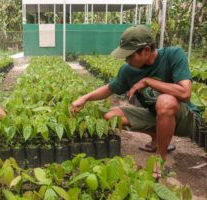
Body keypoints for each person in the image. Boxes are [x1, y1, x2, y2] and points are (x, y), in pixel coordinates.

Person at [70, 25, 201, 177]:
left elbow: (185, 93)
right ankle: (156, 139)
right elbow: (109, 88)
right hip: (155, 115)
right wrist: (84, 98)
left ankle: (160, 158)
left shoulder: (173, 55)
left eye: (130, 55)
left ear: (146, 50)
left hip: (185, 119)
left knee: (165, 101)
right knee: (111, 116)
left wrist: (148, 81)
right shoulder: (128, 70)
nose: (126, 59)